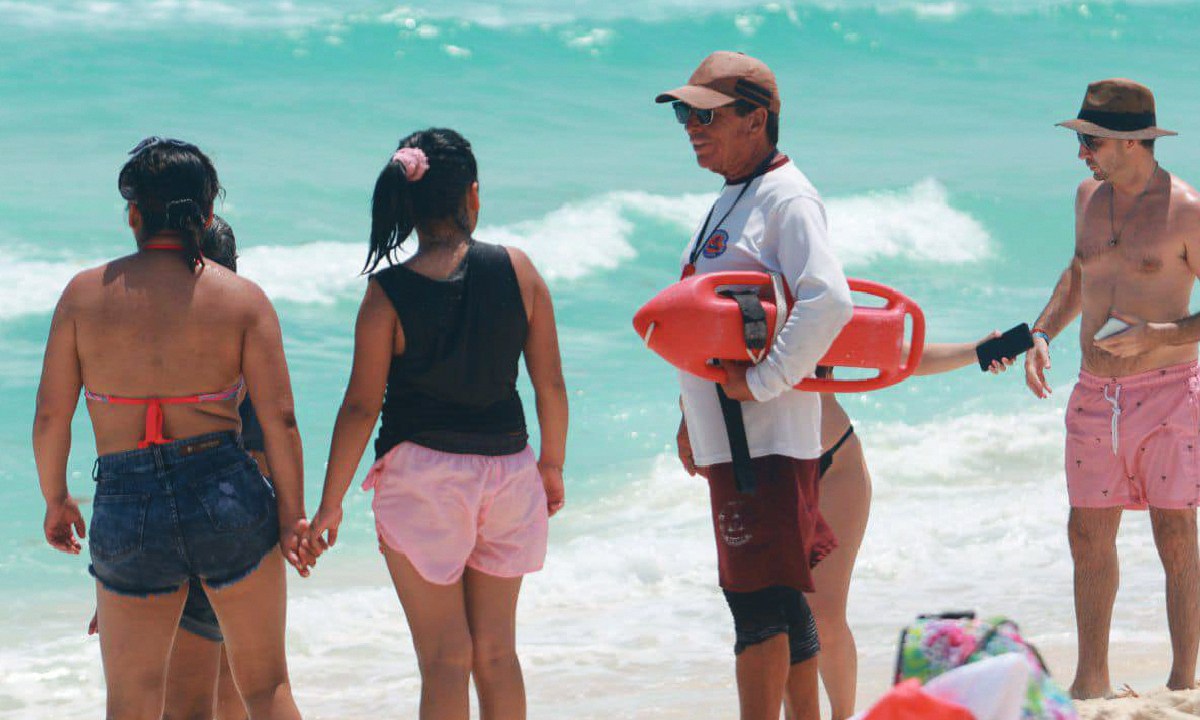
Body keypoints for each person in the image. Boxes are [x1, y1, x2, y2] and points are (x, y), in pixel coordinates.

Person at [34, 137, 312, 719]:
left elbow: (51, 416)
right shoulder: (242, 299)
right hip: (226, 490)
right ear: (207, 215)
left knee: (133, 700)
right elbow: (281, 421)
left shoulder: (84, 296)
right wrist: (292, 517)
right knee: (264, 686)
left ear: (134, 214)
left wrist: (56, 499)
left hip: (126, 497)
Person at [305, 128, 568, 720]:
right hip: (508, 471)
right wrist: (550, 464)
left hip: (422, 479)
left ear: (407, 205)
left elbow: (359, 407)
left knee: (445, 658)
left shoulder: (388, 294)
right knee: (498, 653)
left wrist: (330, 504)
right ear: (472, 196)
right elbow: (549, 384)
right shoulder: (519, 270)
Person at [656, 51, 854, 720]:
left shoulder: (787, 197)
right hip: (734, 440)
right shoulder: (734, 195)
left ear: (756, 118)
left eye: (705, 113)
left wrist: (767, 380)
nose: (690, 125)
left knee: (755, 604)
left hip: (764, 442)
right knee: (780, 596)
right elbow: (708, 323)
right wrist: (691, 413)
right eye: (685, 112)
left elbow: (829, 300)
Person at [1025, 78, 1200, 699]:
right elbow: (1079, 271)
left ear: (1131, 142)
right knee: (1085, 532)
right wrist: (1043, 332)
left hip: (1171, 391)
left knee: (1174, 531)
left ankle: (1185, 684)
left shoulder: (1185, 208)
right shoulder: (1086, 198)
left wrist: (1162, 333)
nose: (1082, 153)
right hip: (1096, 392)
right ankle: (1090, 683)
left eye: (1091, 141)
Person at [803, 338, 1012, 720]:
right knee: (778, 618)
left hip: (833, 465)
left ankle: (843, 717)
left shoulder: (811, 297)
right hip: (764, 473)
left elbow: (901, 356)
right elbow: (696, 365)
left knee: (824, 616)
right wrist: (689, 420)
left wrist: (979, 350)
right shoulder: (729, 291)